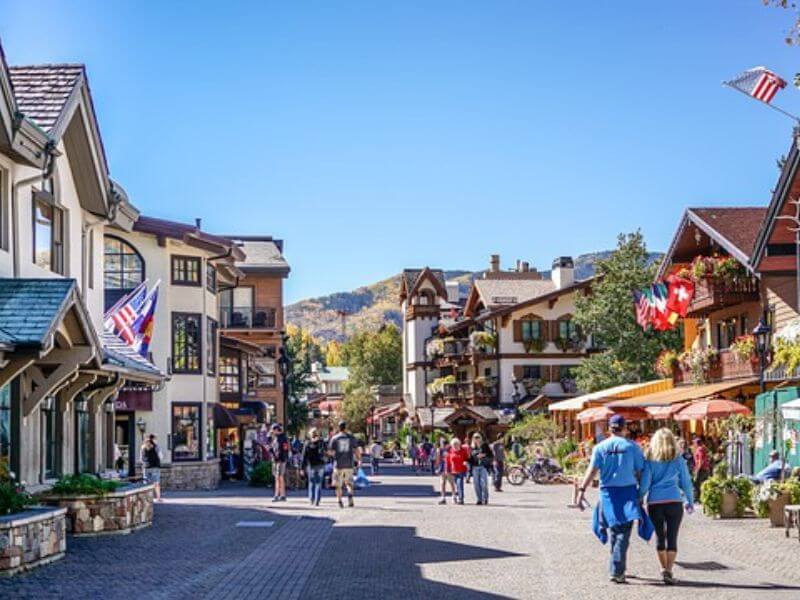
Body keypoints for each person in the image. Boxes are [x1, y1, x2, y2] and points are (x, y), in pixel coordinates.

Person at [577, 415, 647, 584]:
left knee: (615, 530)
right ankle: (617, 570)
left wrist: (581, 490)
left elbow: (592, 470)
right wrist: (642, 493)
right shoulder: (633, 447)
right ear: (624, 428)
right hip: (628, 493)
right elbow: (640, 472)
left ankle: (617, 567)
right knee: (623, 532)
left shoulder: (600, 447)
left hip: (607, 494)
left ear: (610, 429)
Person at [639, 428, 694, 585]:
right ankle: (669, 570)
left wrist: (639, 497)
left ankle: (663, 569)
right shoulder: (678, 460)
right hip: (674, 501)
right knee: (672, 536)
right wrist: (690, 500)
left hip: (655, 502)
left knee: (660, 536)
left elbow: (645, 483)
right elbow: (686, 483)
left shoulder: (650, 459)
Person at [328, 420, 361, 508]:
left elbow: (330, 451)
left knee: (338, 484)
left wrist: (334, 455)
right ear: (345, 427)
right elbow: (356, 450)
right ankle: (350, 494)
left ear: (339, 428)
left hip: (338, 464)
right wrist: (358, 459)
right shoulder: (351, 437)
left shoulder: (334, 438)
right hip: (349, 464)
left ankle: (339, 501)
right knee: (349, 483)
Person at [302, 428, 327, 506]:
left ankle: (311, 499)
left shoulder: (307, 443)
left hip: (311, 465)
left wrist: (302, 467)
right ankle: (317, 500)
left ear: (310, 434)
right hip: (320, 464)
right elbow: (326, 452)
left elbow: (304, 456)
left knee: (311, 482)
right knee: (318, 483)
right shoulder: (321, 442)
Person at [468, 433, 493, 505]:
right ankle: (479, 499)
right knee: (476, 484)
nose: (477, 439)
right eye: (475, 437)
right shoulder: (472, 447)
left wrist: (483, 455)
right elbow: (470, 458)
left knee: (483, 483)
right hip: (475, 467)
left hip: (483, 467)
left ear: (480, 438)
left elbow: (491, 455)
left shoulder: (485, 446)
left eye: (478, 437)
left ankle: (485, 498)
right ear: (473, 439)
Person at [446, 437, 469, 504]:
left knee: (460, 484)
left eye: (456, 444)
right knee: (456, 484)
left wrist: (465, 462)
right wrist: (447, 470)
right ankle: (459, 497)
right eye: (454, 444)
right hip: (453, 471)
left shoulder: (463, 450)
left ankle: (461, 499)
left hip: (461, 470)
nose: (455, 445)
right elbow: (447, 461)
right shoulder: (450, 451)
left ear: (459, 444)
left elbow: (466, 458)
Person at [140, 434, 163, 502]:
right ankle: (158, 498)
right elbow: (161, 456)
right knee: (156, 483)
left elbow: (141, 458)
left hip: (146, 467)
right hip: (155, 466)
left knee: (146, 484)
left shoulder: (143, 447)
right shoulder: (156, 446)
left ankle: (147, 499)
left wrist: (144, 463)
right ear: (153, 439)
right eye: (156, 439)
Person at [271, 423, 290, 502]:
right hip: (276, 460)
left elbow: (285, 450)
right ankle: (280, 494)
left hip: (280, 460)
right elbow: (274, 449)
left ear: (276, 430)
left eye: (273, 430)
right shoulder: (275, 438)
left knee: (280, 477)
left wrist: (281, 458)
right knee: (277, 477)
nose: (272, 432)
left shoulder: (283, 438)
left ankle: (279, 494)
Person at [437, 439, 456, 504]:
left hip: (449, 468)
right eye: (441, 444)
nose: (442, 445)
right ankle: (443, 497)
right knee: (443, 483)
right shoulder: (441, 450)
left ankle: (454, 497)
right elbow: (439, 459)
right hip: (442, 467)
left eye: (443, 444)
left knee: (451, 482)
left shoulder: (451, 449)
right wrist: (438, 467)